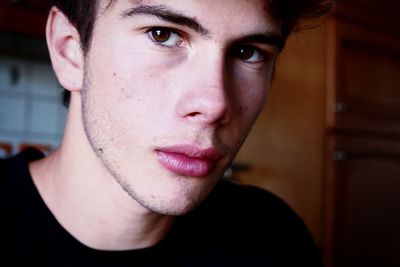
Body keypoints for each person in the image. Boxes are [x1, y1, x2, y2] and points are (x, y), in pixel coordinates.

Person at [0, 0, 334, 266]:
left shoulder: (274, 237)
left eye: (248, 52)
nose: (215, 104)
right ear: (69, 50)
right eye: (162, 34)